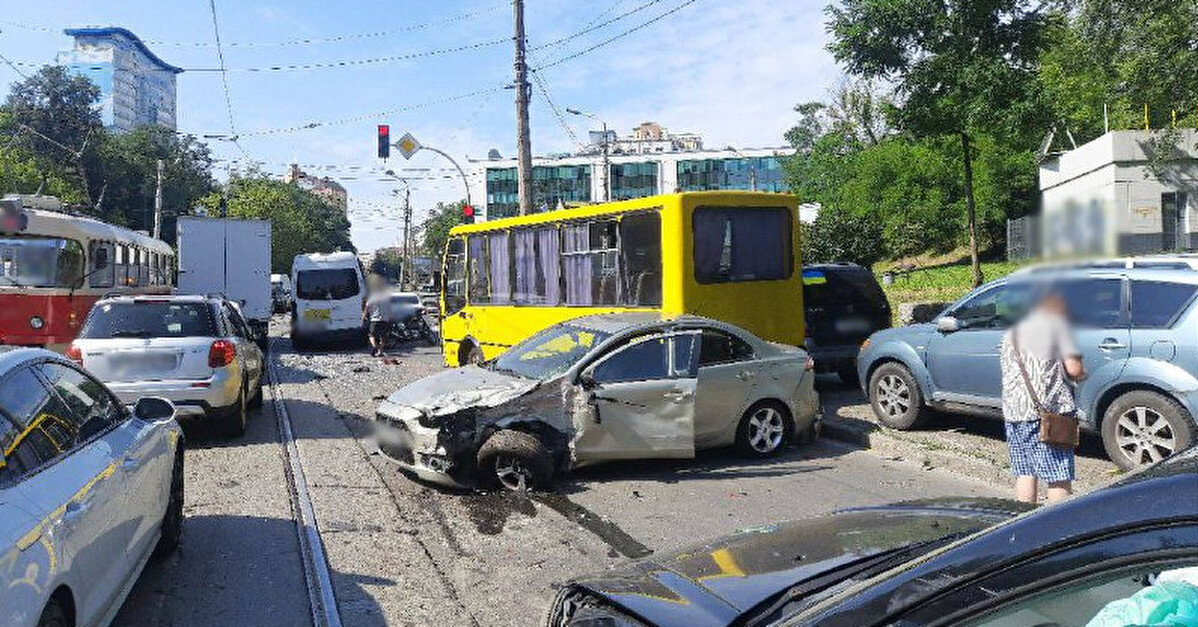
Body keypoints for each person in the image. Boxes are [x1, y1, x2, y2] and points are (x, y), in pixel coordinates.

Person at [999, 289, 1086, 505]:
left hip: (1015, 413)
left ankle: (1023, 520)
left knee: (1025, 471)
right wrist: (1083, 374)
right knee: (1058, 476)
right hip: (1049, 414)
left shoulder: (1011, 333)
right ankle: (1057, 528)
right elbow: (1074, 369)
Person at [363, 291, 391, 357]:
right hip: (385, 320)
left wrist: (364, 316)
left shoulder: (372, 299)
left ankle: (375, 346)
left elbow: (366, 309)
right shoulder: (386, 299)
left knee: (371, 335)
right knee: (383, 337)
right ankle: (380, 352)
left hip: (374, 320)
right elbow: (389, 309)